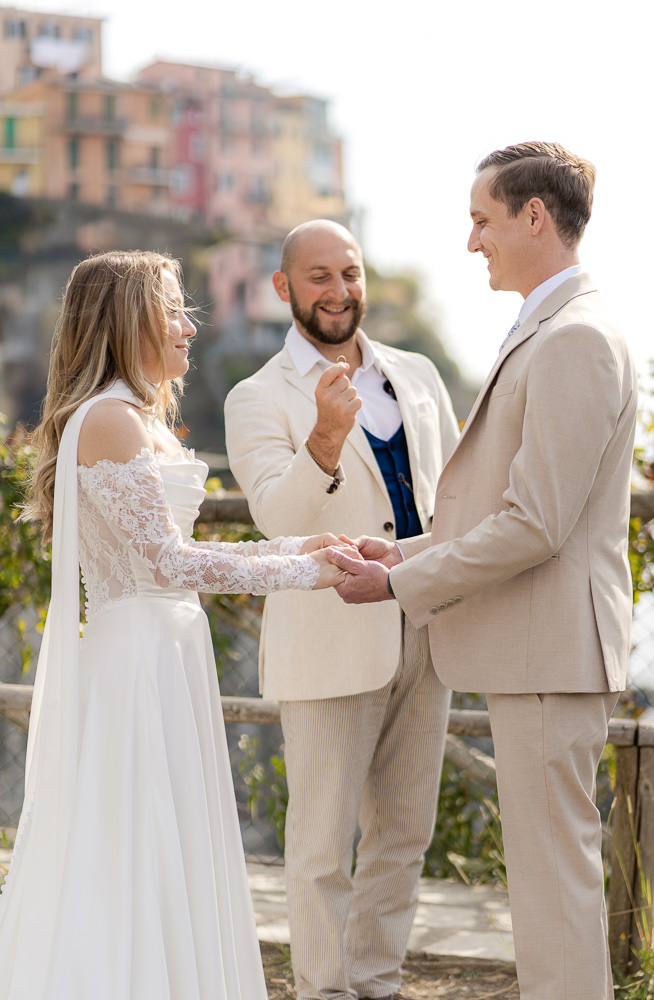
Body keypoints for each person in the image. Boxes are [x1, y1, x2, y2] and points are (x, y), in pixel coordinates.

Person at [329, 143, 637, 1000]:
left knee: (553, 887)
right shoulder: (557, 328)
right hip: (539, 652)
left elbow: (534, 524)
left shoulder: (574, 337)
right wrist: (402, 553)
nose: (471, 242)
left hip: (549, 653)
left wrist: (398, 585)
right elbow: (503, 511)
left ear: (534, 216)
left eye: (481, 220)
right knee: (546, 882)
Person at [0, 250, 349, 1000]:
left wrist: (303, 547)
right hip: (137, 662)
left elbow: (177, 555)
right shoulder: (108, 421)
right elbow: (167, 562)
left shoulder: (139, 421)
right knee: (138, 841)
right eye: (172, 311)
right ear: (126, 321)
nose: (190, 326)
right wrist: (305, 574)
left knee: (171, 839)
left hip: (168, 651)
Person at [224, 220, 459, 1000]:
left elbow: (453, 499)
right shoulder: (257, 396)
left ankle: (377, 984)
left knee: (403, 836)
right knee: (322, 846)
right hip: (328, 639)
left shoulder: (416, 374)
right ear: (283, 288)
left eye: (349, 273)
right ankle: (323, 991)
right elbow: (275, 518)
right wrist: (325, 436)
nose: (338, 291)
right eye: (318, 276)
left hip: (425, 627)